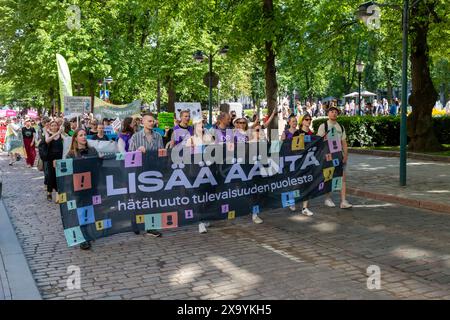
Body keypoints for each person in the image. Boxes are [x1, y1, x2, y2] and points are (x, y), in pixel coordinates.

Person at [128, 113, 163, 238]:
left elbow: (162, 154)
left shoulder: (158, 136)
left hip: (153, 172)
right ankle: (134, 223)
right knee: (137, 199)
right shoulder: (135, 137)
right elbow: (129, 158)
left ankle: (151, 226)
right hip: (139, 173)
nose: (151, 123)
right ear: (143, 122)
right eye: (149, 121)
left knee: (152, 199)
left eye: (153, 121)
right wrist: (137, 152)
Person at [66, 128, 99, 250]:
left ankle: (88, 233)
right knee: (81, 210)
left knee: (90, 209)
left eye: (85, 135)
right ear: (75, 138)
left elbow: (98, 166)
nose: (84, 137)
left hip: (91, 185)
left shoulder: (92, 150)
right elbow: (67, 171)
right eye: (81, 135)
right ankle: (83, 238)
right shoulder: (71, 154)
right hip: (78, 187)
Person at [317, 106, 352, 209]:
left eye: (336, 112)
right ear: (328, 114)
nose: (334, 113)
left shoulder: (340, 127)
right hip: (328, 156)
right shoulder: (323, 126)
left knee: (343, 178)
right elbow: (318, 141)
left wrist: (345, 155)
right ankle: (327, 198)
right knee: (328, 177)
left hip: (339, 156)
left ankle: (343, 201)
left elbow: (344, 143)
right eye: (331, 111)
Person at [280, 115, 301, 212]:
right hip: (287, 160)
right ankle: (290, 202)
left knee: (295, 181)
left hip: (297, 160)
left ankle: (293, 201)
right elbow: (281, 146)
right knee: (288, 181)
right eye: (293, 121)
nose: (294, 123)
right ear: (289, 123)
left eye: (296, 121)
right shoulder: (285, 133)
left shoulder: (299, 132)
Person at [297, 114, 315, 216]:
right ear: (302, 121)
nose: (309, 121)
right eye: (307, 119)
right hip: (298, 163)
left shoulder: (312, 134)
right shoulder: (297, 133)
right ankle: (293, 201)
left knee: (307, 184)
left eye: (310, 119)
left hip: (308, 162)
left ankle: (305, 207)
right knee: (297, 184)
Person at [45, 120, 64, 203]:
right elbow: (47, 140)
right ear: (50, 126)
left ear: (58, 126)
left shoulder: (60, 134)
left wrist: (61, 133)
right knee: (50, 176)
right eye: (52, 125)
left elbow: (67, 139)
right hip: (50, 158)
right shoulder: (47, 133)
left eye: (55, 125)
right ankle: (49, 192)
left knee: (58, 176)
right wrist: (56, 133)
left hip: (59, 158)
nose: (54, 127)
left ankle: (57, 195)